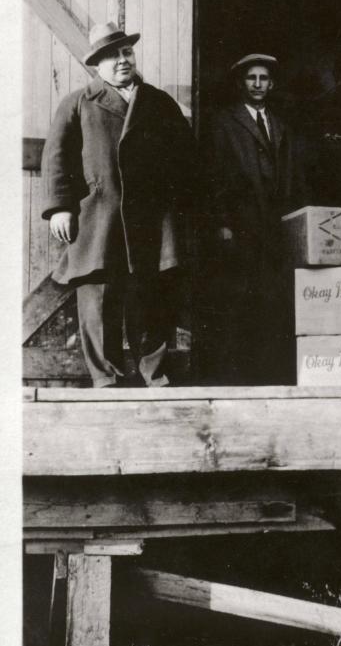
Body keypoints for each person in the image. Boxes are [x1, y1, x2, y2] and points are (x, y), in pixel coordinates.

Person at [41, 22, 195, 388]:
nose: (122, 60)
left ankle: (154, 374)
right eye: (112, 56)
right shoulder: (78, 103)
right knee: (98, 299)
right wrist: (59, 207)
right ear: (96, 64)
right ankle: (105, 379)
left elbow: (187, 160)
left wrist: (182, 211)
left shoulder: (159, 103)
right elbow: (57, 158)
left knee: (152, 298)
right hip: (100, 217)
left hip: (151, 219)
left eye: (126, 52)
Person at [201, 53, 306, 384]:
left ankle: (270, 375)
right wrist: (223, 223)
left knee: (273, 302)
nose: (258, 84)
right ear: (240, 84)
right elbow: (214, 177)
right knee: (240, 302)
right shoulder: (224, 122)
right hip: (242, 227)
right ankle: (237, 378)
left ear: (271, 84)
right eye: (252, 79)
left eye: (264, 79)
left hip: (275, 228)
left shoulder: (280, 125)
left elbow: (292, 177)